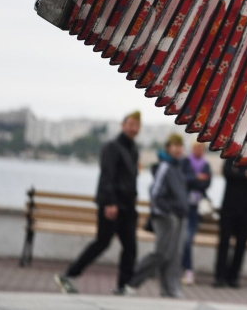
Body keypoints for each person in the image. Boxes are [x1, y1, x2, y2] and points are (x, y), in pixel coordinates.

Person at [54, 111, 141, 296]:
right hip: (112, 205)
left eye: (137, 125)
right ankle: (68, 275)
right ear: (123, 125)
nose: (134, 128)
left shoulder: (133, 149)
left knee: (130, 247)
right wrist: (109, 203)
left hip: (127, 207)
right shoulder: (112, 147)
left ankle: (123, 285)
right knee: (102, 243)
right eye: (131, 124)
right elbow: (107, 176)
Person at [127, 133, 190, 298]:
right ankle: (131, 280)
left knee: (175, 255)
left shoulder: (178, 167)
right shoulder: (165, 166)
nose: (178, 149)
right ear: (168, 147)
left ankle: (170, 288)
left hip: (179, 216)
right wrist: (168, 212)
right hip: (166, 217)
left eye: (180, 146)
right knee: (162, 253)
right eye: (175, 146)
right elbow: (154, 193)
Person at [213, 158, 247, 288]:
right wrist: (246, 177)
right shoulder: (232, 156)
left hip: (246, 210)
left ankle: (233, 277)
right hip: (229, 208)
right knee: (224, 242)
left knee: (241, 244)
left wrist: (239, 176)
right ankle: (219, 276)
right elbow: (227, 173)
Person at [181, 140, 212, 285]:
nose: (199, 150)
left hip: (195, 209)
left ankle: (188, 270)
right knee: (182, 240)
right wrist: (197, 178)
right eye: (196, 147)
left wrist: (193, 180)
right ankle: (183, 269)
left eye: (201, 147)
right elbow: (183, 180)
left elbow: (206, 183)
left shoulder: (206, 165)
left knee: (187, 240)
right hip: (183, 206)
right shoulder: (185, 162)